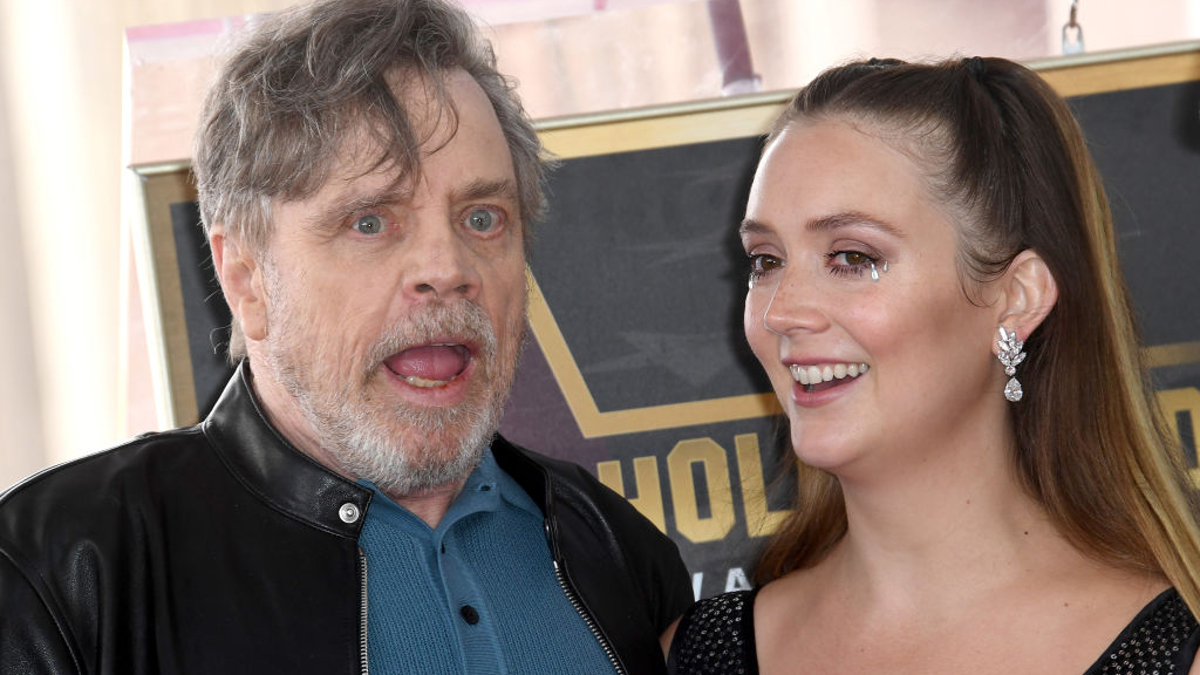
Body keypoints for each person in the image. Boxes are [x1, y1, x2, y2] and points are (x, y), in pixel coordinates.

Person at [0, 0, 691, 673]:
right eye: (370, 221)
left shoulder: (619, 551)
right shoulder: (61, 573)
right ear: (245, 277)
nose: (447, 270)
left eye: (482, 218)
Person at [663, 56, 1200, 674]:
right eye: (765, 261)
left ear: (1016, 296)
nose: (781, 311)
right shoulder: (700, 657)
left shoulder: (1170, 651)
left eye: (851, 257)